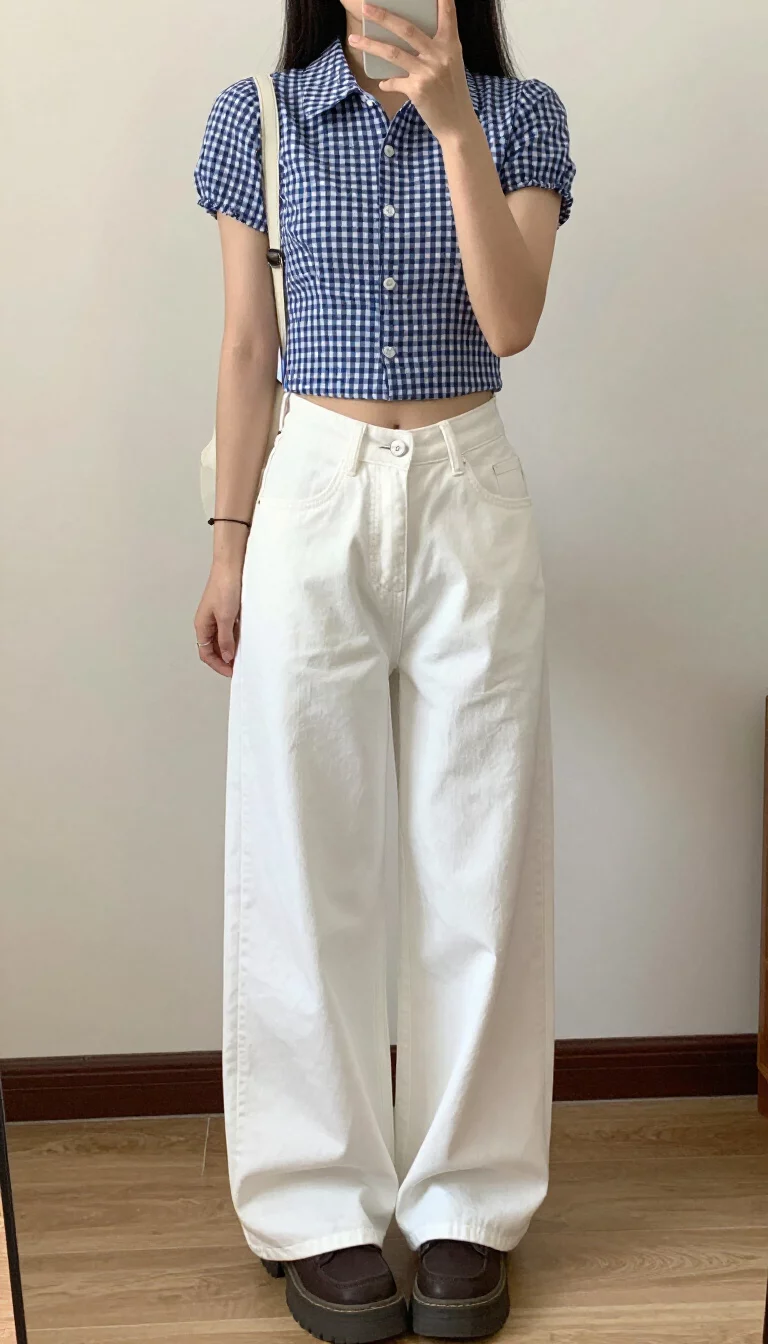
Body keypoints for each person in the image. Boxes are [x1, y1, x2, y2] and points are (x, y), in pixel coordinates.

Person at [193, 0, 575, 1338]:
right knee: (307, 854)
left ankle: (468, 1204)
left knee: (481, 850)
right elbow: (248, 348)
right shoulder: (257, 115)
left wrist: (458, 124)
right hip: (312, 484)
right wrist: (228, 544)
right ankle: (316, 1204)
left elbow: (511, 320)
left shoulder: (524, 119)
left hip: (469, 485)